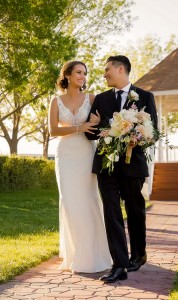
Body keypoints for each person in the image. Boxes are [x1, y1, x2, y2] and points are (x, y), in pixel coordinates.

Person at [85, 55, 158, 282]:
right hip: (106, 165)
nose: (104, 73)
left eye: (107, 69)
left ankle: (139, 254)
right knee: (112, 213)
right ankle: (119, 264)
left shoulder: (145, 97)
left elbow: (152, 133)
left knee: (135, 211)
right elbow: (90, 133)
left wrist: (138, 138)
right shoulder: (101, 99)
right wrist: (96, 127)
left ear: (121, 69)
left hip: (133, 165)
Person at [48, 60, 112, 273]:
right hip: (65, 155)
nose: (83, 76)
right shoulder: (55, 101)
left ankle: (93, 255)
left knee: (88, 199)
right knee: (69, 202)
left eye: (84, 73)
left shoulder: (92, 99)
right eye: (78, 72)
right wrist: (79, 127)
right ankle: (74, 254)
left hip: (86, 153)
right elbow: (53, 131)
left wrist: (95, 124)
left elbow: (101, 126)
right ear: (67, 75)